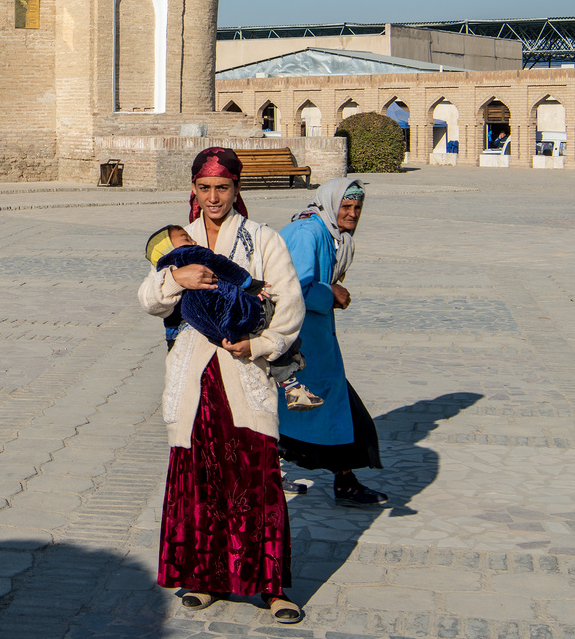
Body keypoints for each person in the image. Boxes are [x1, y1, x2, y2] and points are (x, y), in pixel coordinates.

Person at [138, 147, 307, 624]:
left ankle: (271, 587)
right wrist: (175, 276)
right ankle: (205, 578)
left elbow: (290, 303)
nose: (214, 197)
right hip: (193, 376)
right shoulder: (178, 241)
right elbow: (148, 300)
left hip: (243, 373)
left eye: (223, 188)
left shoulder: (261, 239)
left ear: (237, 189)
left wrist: (259, 346)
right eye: (205, 188)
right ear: (193, 190)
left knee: (257, 477)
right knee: (200, 478)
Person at [277, 177, 388, 506]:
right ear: (330, 204)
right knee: (331, 413)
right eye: (346, 206)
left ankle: (343, 480)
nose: (352, 214)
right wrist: (332, 292)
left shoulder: (331, 235)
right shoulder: (307, 232)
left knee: (312, 410)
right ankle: (345, 481)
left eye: (357, 208)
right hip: (296, 347)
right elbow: (292, 287)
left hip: (315, 348)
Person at [144, 224, 322, 410]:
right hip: (241, 313)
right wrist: (249, 283)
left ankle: (293, 380)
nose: (193, 241)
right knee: (270, 321)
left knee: (268, 338)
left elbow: (171, 319)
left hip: (220, 335)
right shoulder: (187, 254)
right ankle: (292, 378)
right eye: (186, 238)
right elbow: (220, 264)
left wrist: (171, 343)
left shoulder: (163, 276)